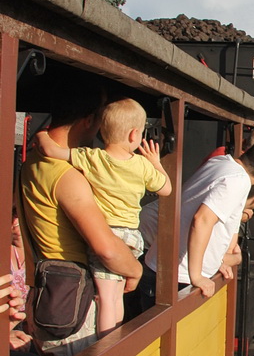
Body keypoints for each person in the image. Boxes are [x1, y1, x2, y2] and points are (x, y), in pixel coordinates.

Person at [19, 78, 143, 356]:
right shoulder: (68, 176)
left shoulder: (33, 163)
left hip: (45, 296)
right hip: (76, 303)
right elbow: (106, 249)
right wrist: (134, 270)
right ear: (89, 120)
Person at [36, 98, 171, 336]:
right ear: (134, 135)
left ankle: (107, 343)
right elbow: (166, 189)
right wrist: (156, 163)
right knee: (117, 295)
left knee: (107, 298)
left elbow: (50, 150)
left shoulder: (92, 157)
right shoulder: (141, 165)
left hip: (108, 233)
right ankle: (115, 337)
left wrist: (41, 134)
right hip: (131, 235)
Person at [144, 140, 254, 301]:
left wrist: (219, 259)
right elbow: (202, 220)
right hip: (180, 276)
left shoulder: (219, 162)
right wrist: (197, 276)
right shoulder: (238, 181)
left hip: (164, 263)